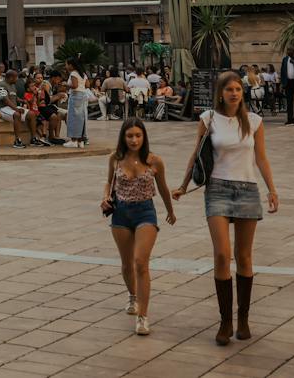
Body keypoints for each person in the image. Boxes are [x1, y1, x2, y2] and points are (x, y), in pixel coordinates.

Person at [173, 71, 279, 346]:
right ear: (220, 93)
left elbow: (262, 158)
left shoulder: (254, 122)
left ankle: (243, 318)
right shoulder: (208, 119)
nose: (234, 93)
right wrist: (183, 186)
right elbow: (195, 154)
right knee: (222, 255)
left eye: (238, 89)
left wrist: (272, 190)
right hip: (217, 189)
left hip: (247, 189)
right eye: (229, 89)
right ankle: (225, 321)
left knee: (244, 257)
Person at [104, 119, 175, 335]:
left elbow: (162, 187)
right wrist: (105, 197)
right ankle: (133, 296)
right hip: (121, 213)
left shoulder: (154, 161)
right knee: (127, 264)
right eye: (129, 136)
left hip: (145, 211)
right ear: (123, 138)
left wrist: (170, 210)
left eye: (138, 135)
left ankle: (143, 316)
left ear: (144, 137)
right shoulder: (115, 159)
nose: (134, 140)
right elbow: (109, 182)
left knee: (140, 262)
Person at [64, 61, 92, 148]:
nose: (66, 66)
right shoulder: (83, 74)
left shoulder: (73, 73)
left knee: (73, 118)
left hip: (76, 96)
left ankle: (73, 140)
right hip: (83, 96)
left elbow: (75, 86)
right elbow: (87, 85)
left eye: (67, 64)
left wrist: (66, 85)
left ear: (71, 65)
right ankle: (80, 141)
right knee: (81, 118)